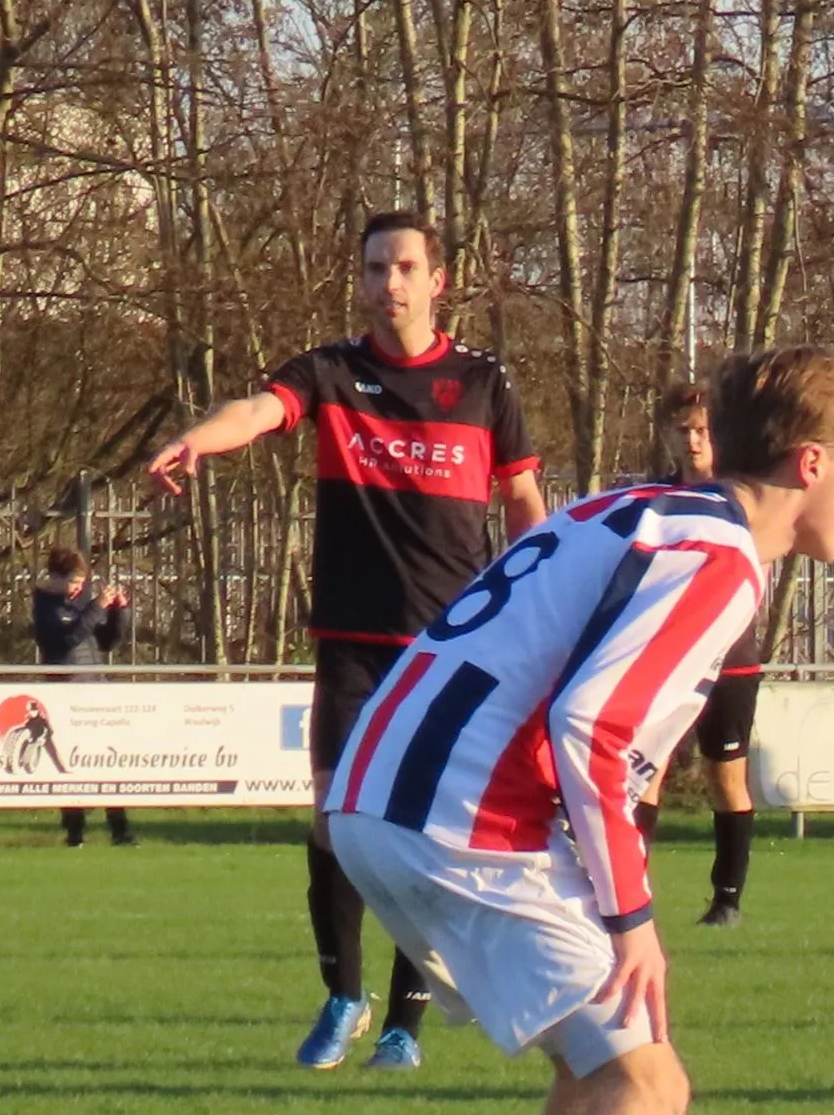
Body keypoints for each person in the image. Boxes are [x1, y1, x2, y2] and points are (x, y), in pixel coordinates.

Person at [327, 345, 834, 1115]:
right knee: (649, 1074)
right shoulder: (722, 554)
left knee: (600, 1066)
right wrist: (635, 916)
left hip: (375, 797)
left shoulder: (641, 506)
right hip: (462, 815)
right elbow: (591, 726)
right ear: (811, 459)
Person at [144, 210, 546, 1069]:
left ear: (438, 281)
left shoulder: (483, 383)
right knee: (334, 822)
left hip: (449, 648)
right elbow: (257, 409)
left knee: (417, 831)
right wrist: (196, 441)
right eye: (373, 269)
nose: (387, 284)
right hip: (352, 640)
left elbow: (525, 509)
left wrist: (543, 604)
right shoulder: (333, 372)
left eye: (404, 267)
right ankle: (343, 996)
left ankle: (406, 1023)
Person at [643, 389, 766, 926]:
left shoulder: (741, 497)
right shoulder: (656, 499)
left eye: (702, 431)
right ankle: (630, 891)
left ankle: (727, 899)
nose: (692, 441)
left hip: (732, 659)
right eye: (683, 431)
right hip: (669, 657)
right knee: (646, 773)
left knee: (726, 778)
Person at [31, 545, 135, 848]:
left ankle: (120, 829)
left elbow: (107, 642)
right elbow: (67, 640)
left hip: (95, 692)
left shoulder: (80, 605)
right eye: (74, 582)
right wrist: (95, 608)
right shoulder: (46, 608)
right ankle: (75, 831)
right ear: (56, 578)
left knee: (109, 762)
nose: (78, 589)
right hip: (65, 694)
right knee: (71, 765)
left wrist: (119, 612)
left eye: (81, 583)